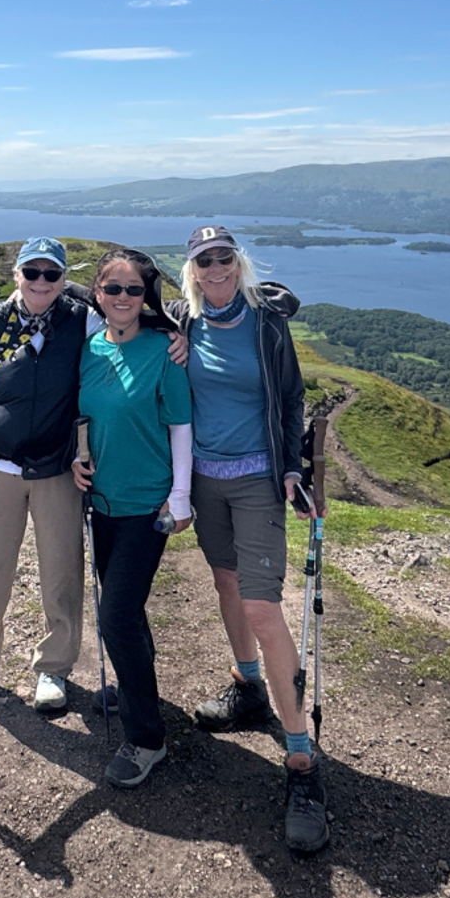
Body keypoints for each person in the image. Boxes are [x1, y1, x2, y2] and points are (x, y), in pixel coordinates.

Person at [0, 237, 182, 719]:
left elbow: (126, 318)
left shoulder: (82, 318)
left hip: (56, 469)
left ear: (64, 279)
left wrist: (176, 333)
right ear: (17, 276)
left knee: (61, 574)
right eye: (32, 273)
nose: (41, 283)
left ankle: (54, 668)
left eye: (52, 275)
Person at [168, 224, 329, 852]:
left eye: (224, 259)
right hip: (206, 482)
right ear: (192, 270)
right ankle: (247, 688)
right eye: (204, 260)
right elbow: (109, 303)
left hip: (260, 479)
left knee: (263, 607)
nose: (215, 269)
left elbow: (290, 396)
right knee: (227, 582)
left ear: (238, 264)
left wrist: (294, 467)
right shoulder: (181, 322)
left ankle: (300, 761)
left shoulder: (266, 322)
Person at [71, 247, 193, 790]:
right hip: (101, 503)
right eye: (112, 289)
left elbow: (181, 427)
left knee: (115, 615)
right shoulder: (90, 347)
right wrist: (77, 459)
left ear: (148, 297)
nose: (122, 298)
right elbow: (87, 419)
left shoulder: (165, 351)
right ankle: (133, 684)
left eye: (134, 290)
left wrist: (181, 496)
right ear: (97, 293)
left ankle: (147, 738)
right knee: (127, 612)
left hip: (148, 505)